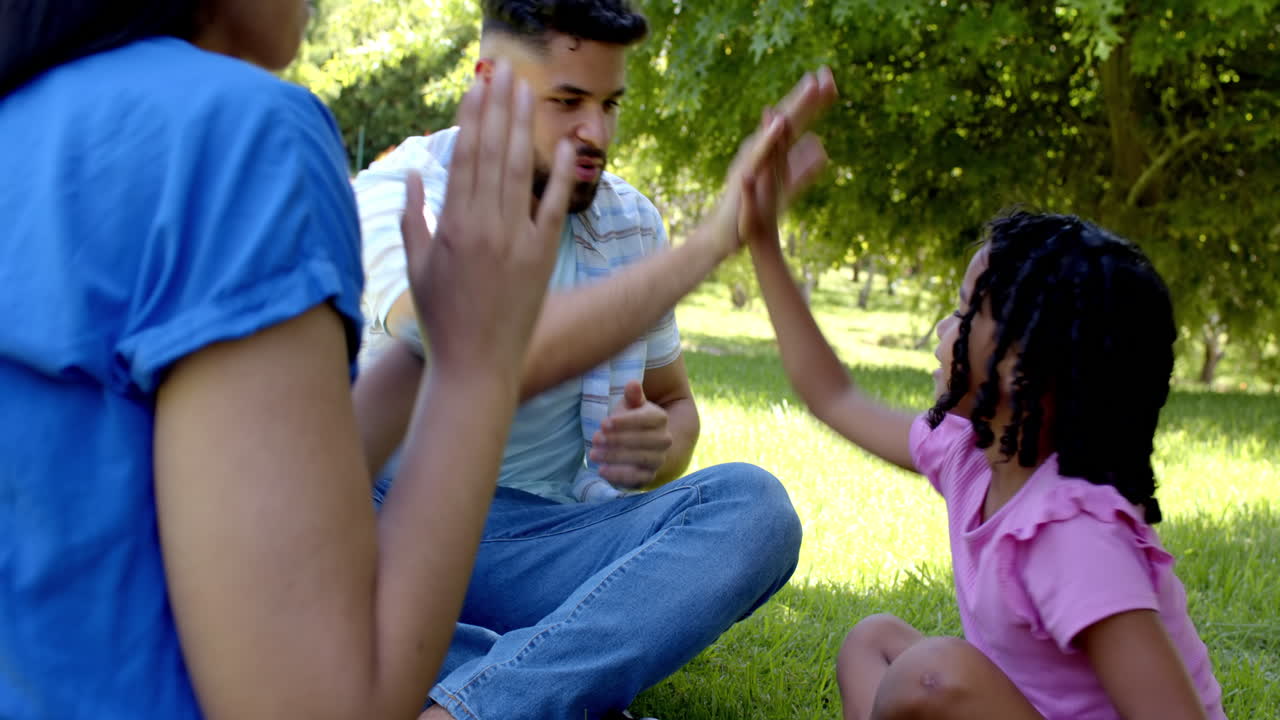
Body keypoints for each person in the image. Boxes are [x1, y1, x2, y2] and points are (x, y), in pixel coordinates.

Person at [0, 1, 627, 717]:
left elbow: (213, 486)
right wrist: (478, 372)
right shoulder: (240, 133)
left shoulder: (25, 116)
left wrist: (443, 341)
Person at [354, 1, 836, 717]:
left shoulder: (629, 222)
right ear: (488, 82)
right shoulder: (403, 194)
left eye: (611, 103)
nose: (597, 132)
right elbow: (467, 348)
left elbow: (677, 409)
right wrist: (710, 244)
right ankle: (542, 678)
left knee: (755, 509)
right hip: (391, 521)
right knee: (305, 556)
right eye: (567, 101)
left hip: (541, 540)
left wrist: (656, 447)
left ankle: (477, 697)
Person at [738, 146, 1225, 720]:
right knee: (875, 641)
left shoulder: (1073, 537)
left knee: (935, 674)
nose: (944, 328)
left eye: (967, 313)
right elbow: (833, 395)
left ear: (1027, 369)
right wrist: (763, 243)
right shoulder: (972, 454)